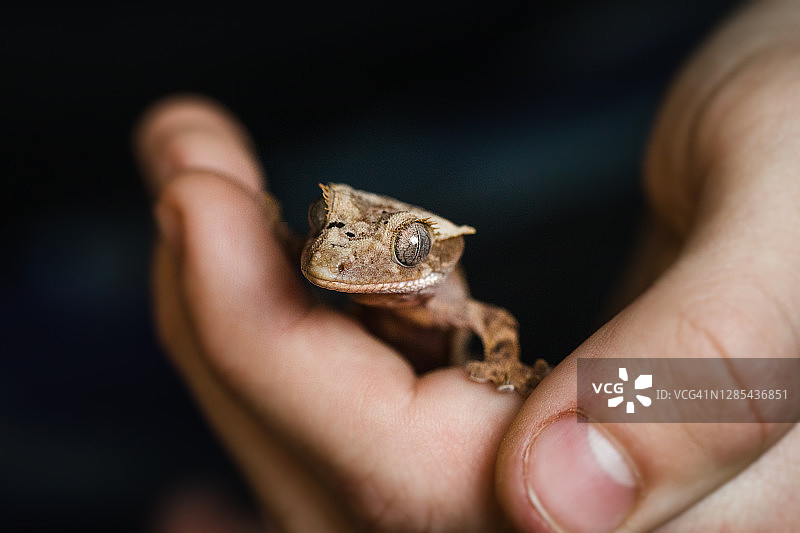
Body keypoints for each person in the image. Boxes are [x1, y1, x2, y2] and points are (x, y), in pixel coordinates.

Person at [136, 1, 800, 530]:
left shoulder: (458, 305)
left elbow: (498, 320)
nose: (340, 249)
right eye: (323, 222)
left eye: (407, 249)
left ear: (440, 249)